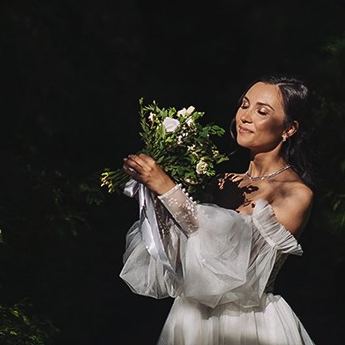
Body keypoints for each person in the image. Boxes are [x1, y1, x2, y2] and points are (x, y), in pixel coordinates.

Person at [119, 77, 317, 345]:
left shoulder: (296, 193)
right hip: (193, 319)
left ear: (289, 128)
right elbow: (182, 258)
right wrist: (155, 197)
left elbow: (241, 271)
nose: (245, 117)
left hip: (248, 324)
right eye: (244, 106)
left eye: (261, 111)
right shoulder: (221, 182)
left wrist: (166, 187)